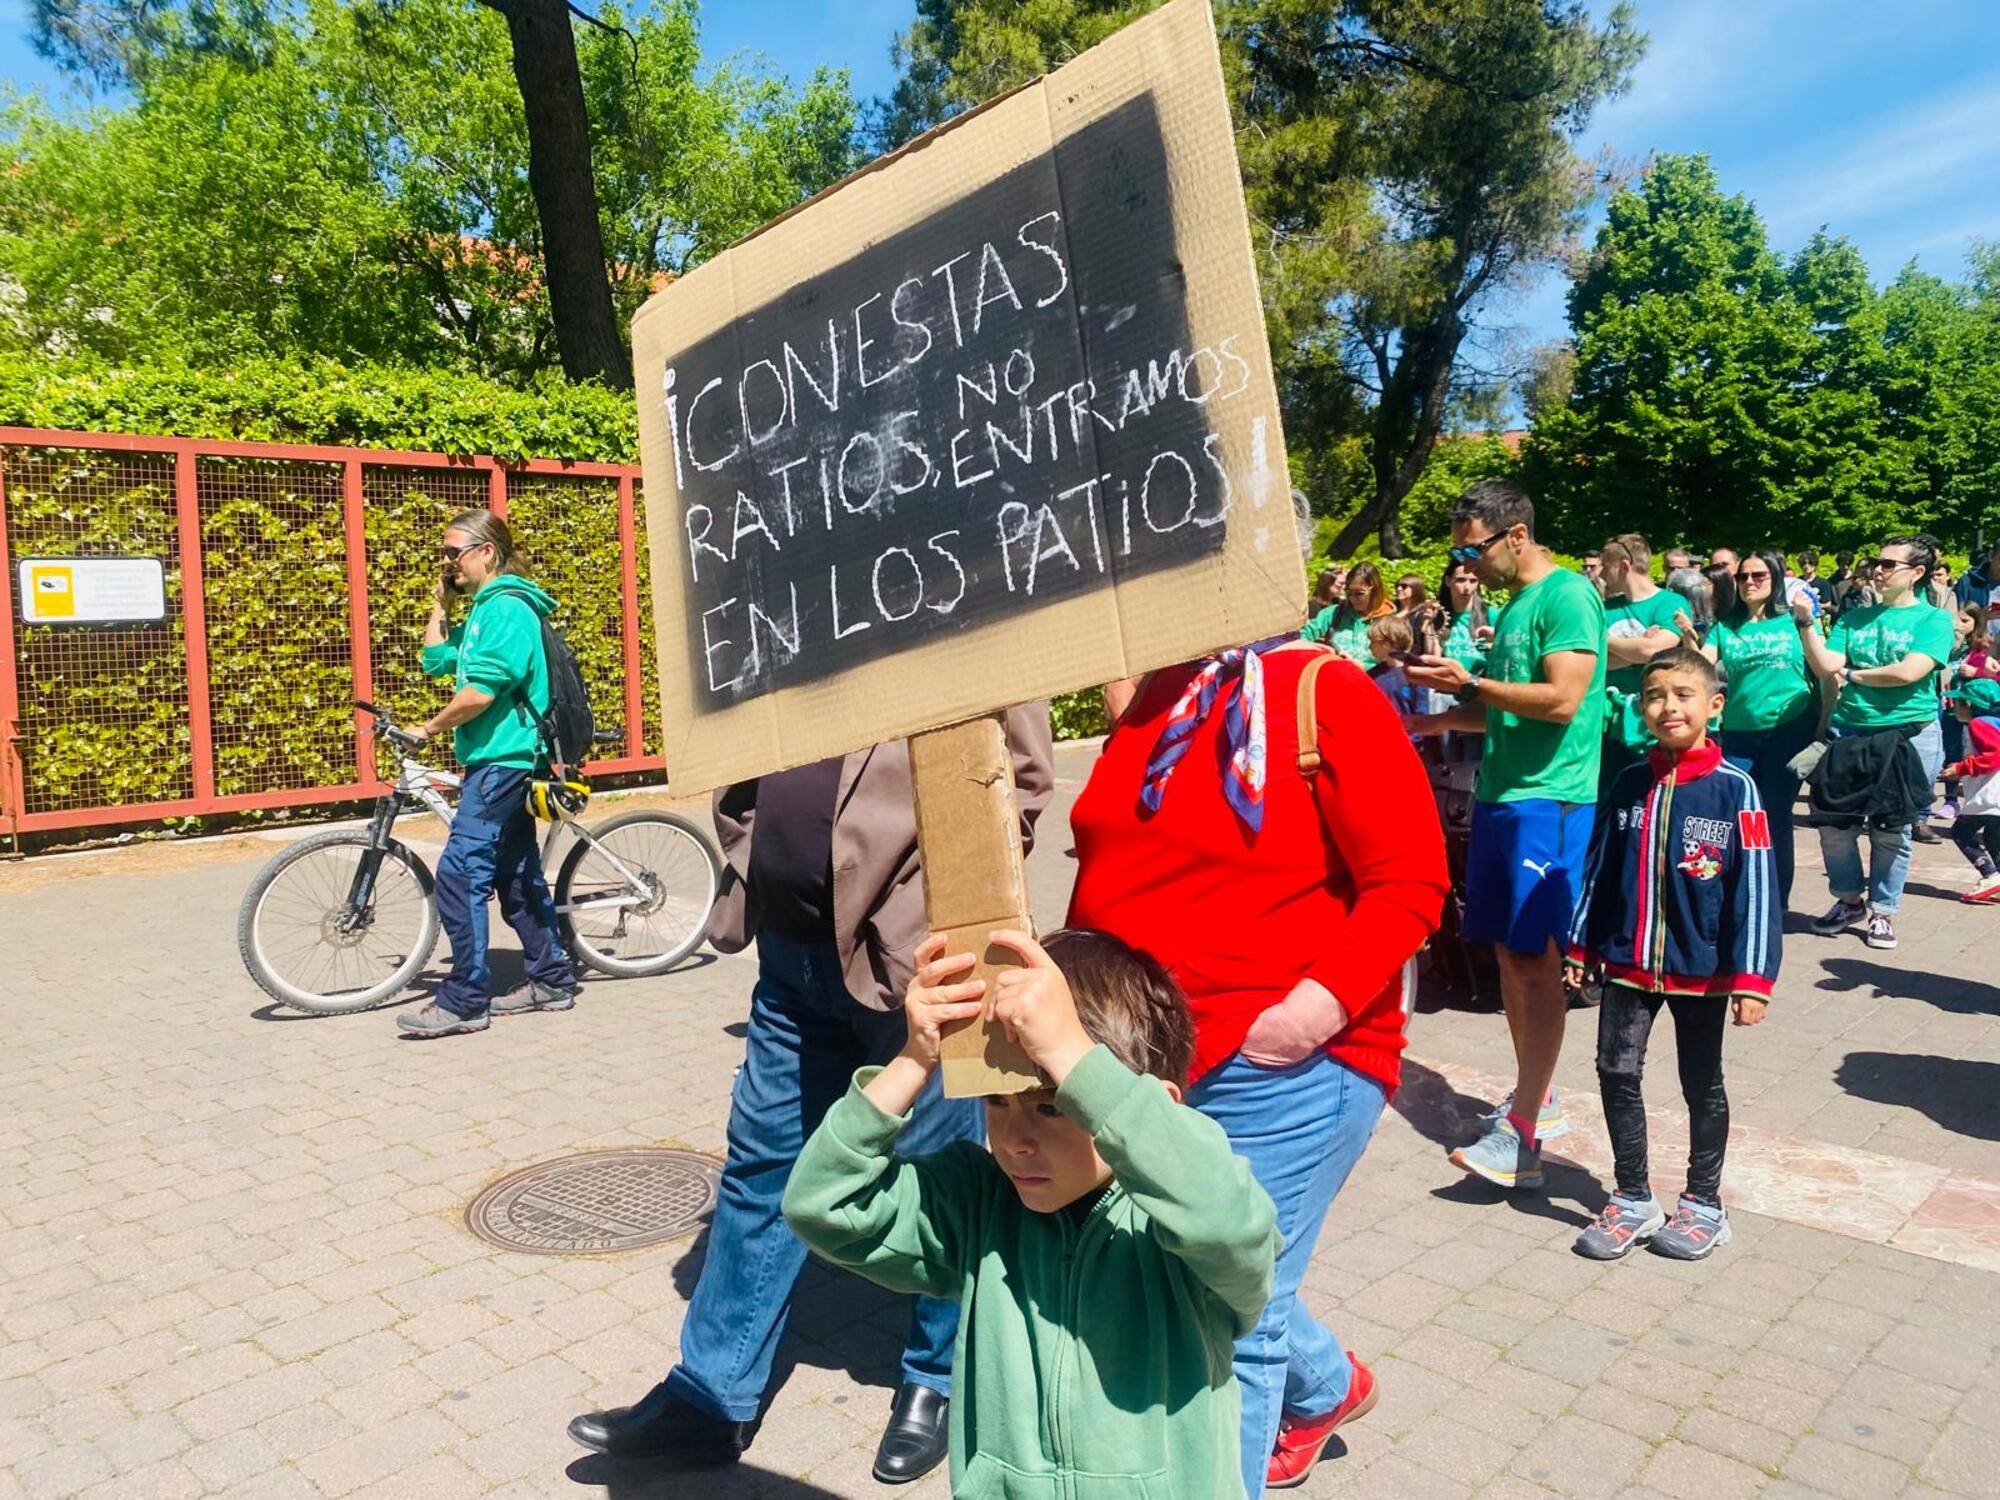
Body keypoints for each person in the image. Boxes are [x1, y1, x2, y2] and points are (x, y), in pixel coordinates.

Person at [567, 711, 1055, 1481]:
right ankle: (711, 1398)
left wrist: (944, 899)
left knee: (940, 1176)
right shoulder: (788, 602)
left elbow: (1021, 778)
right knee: (763, 1167)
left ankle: (938, 1378)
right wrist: (758, 848)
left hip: (918, 963)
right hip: (790, 956)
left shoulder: (961, 599)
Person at [1068, 631, 1447, 1495]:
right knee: (1194, 1262)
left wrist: (1308, 1013)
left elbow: (1412, 881)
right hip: (1148, 1060)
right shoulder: (1166, 688)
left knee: (1227, 1317)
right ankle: (1324, 1389)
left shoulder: (1326, 689)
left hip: (1280, 1066)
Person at [783, 928, 1278, 1500]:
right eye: (998, 1100)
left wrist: (1073, 1059)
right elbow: (820, 1205)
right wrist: (913, 1060)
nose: (1015, 1139)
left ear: (1146, 1104)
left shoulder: (1182, 1226)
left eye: (1052, 1105)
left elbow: (1232, 1225)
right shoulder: (977, 1203)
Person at [1406, 479, 1606, 1191]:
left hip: (1549, 800)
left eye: (1472, 546)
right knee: (1506, 958)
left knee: (1531, 958)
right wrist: (1432, 722)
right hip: (1502, 794)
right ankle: (1535, 1095)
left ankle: (1524, 1130)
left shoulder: (1566, 596)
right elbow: (1503, 713)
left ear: (1514, 535)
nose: (1465, 561)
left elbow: (1563, 699)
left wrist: (1468, 686)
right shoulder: (1517, 605)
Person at [1567, 648, 1780, 1262]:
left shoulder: (1737, 791)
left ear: (1714, 705)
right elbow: (1600, 868)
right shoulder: (1630, 782)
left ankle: (1704, 1203)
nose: (1668, 706)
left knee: (1700, 1082)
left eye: (1683, 694)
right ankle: (1632, 1196)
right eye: (1655, 695)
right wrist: (1582, 942)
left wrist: (1753, 977)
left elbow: (1758, 885)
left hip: (1702, 970)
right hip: (1627, 963)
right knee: (1615, 1070)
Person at [398, 510, 578, 1038]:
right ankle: (551, 978)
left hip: (505, 761)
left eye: (455, 552)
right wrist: (441, 601)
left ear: (487, 553)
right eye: (444, 552)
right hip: (495, 759)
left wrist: (427, 730)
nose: (446, 560)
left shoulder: (507, 611)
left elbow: (480, 693)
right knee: (515, 874)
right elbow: (437, 663)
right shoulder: (482, 611)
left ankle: (465, 999)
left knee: (459, 875)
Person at [1796, 536, 1955, 950]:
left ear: (1917, 573)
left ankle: (1883, 911)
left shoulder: (1932, 620)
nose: (1879, 571)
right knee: (1833, 825)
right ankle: (1849, 901)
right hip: (1849, 731)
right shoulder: (1854, 618)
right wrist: (1806, 625)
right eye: (1876, 563)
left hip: (1909, 735)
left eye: (1889, 564)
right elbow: (1825, 665)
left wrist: (1854, 675)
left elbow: (1910, 672)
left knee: (1892, 831)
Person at [1686, 549, 1817, 906]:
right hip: (1740, 734)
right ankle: (1740, 892)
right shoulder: (1726, 626)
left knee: (1774, 814)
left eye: (1758, 575)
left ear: (1775, 580)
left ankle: (1775, 901)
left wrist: (1823, 728)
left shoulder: (1794, 619)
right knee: (1737, 813)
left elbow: (1822, 666)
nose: (1749, 583)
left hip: (1789, 730)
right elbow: (1701, 667)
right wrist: (1686, 639)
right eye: (1742, 577)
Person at [1597, 535, 1683, 788]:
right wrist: (1637, 649)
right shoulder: (1603, 608)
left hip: (1653, 725)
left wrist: (1603, 639)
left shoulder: (1671, 603)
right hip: (1607, 724)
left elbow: (1654, 652)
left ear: (1624, 565)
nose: (1601, 574)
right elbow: (1594, 661)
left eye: (1606, 565)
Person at [1943, 677, 2000, 902]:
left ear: (1969, 704)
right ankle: (1996, 879)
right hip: (1991, 795)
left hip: (1990, 796)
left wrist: (1960, 768)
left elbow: (1994, 757)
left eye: (1957, 703)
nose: (1953, 707)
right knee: (1994, 838)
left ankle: (1990, 874)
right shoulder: (1993, 722)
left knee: (1961, 833)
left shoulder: (1980, 724)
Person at [1302, 562, 1394, 667]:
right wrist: (1317, 650)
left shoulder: (1389, 621)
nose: (1352, 598)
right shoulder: (1334, 613)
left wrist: (1362, 666)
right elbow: (1305, 634)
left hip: (1372, 680)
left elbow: (1394, 660)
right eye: (1349, 593)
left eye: (1359, 593)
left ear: (1375, 590)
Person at [1367, 615, 1425, 718]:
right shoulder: (1372, 675)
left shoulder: (1416, 673)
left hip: (1409, 731)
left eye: (1373, 642)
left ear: (1388, 643)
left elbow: (1422, 711)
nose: (1369, 647)